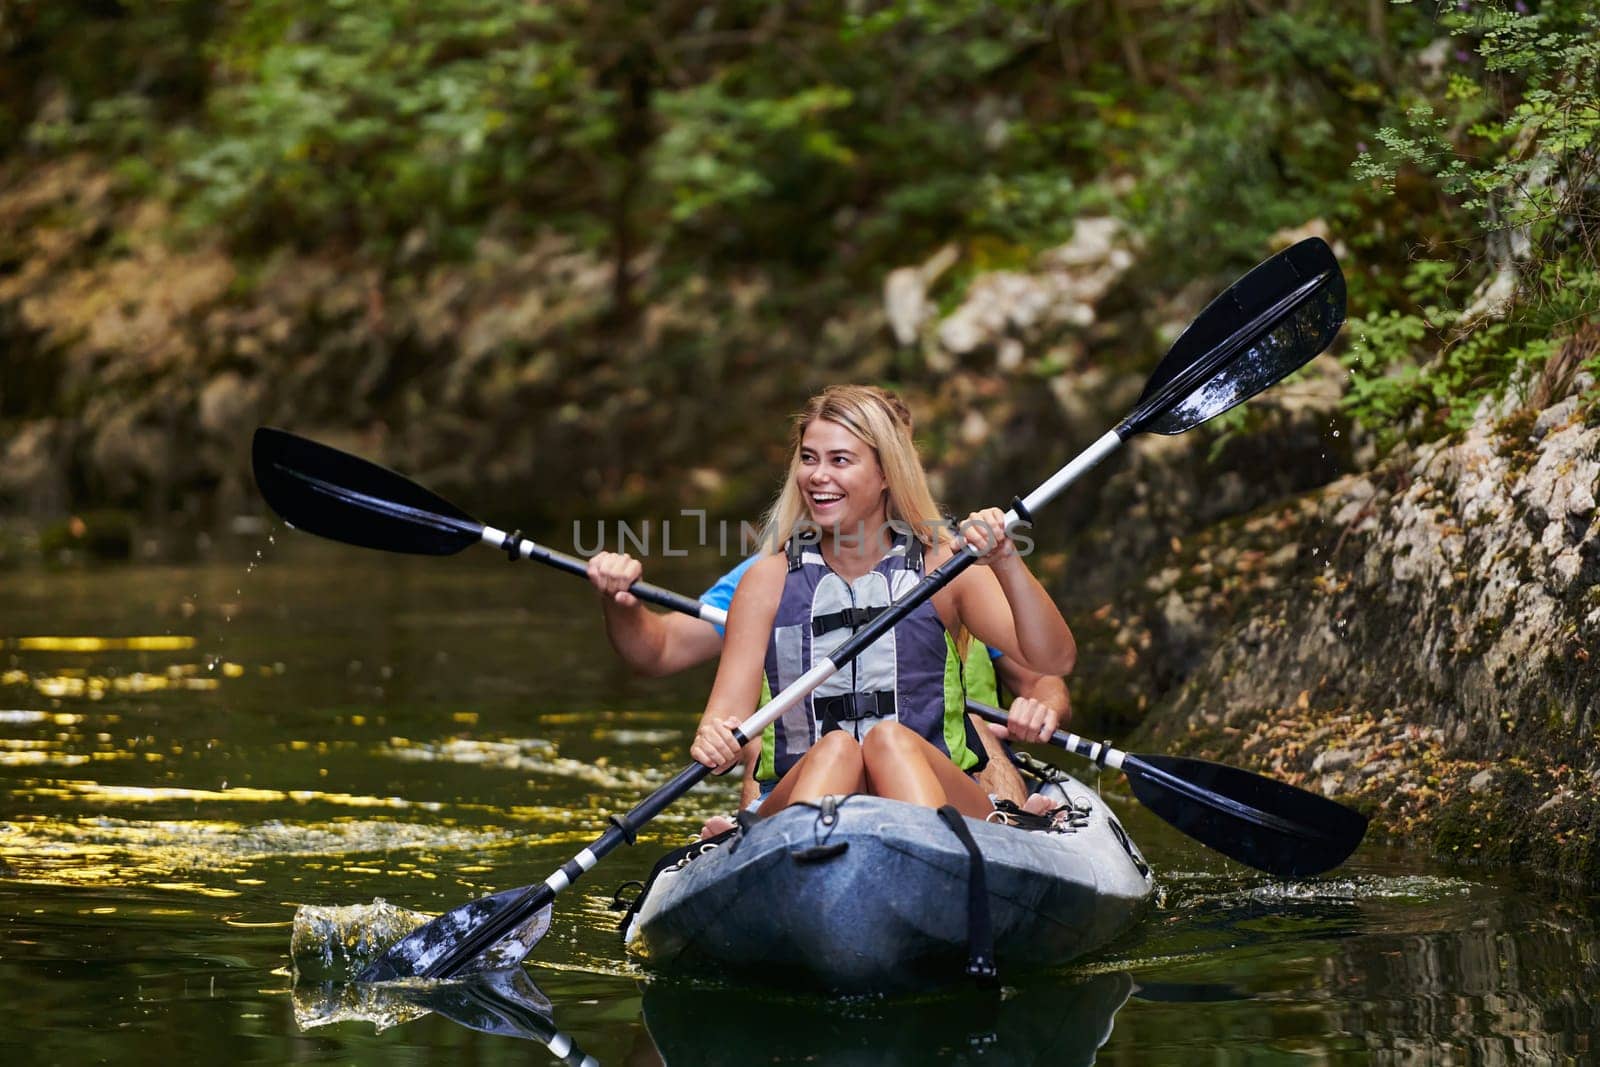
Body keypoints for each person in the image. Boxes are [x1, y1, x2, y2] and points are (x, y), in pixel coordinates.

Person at [586, 389, 1069, 814]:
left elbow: (1054, 660)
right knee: (836, 749)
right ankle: (803, 867)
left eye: (839, 460)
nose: (817, 476)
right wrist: (714, 738)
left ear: (885, 473)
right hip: (811, 783)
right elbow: (723, 714)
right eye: (809, 458)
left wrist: (1006, 561)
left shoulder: (945, 567)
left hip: (930, 782)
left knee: (889, 743)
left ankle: (932, 865)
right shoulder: (766, 580)